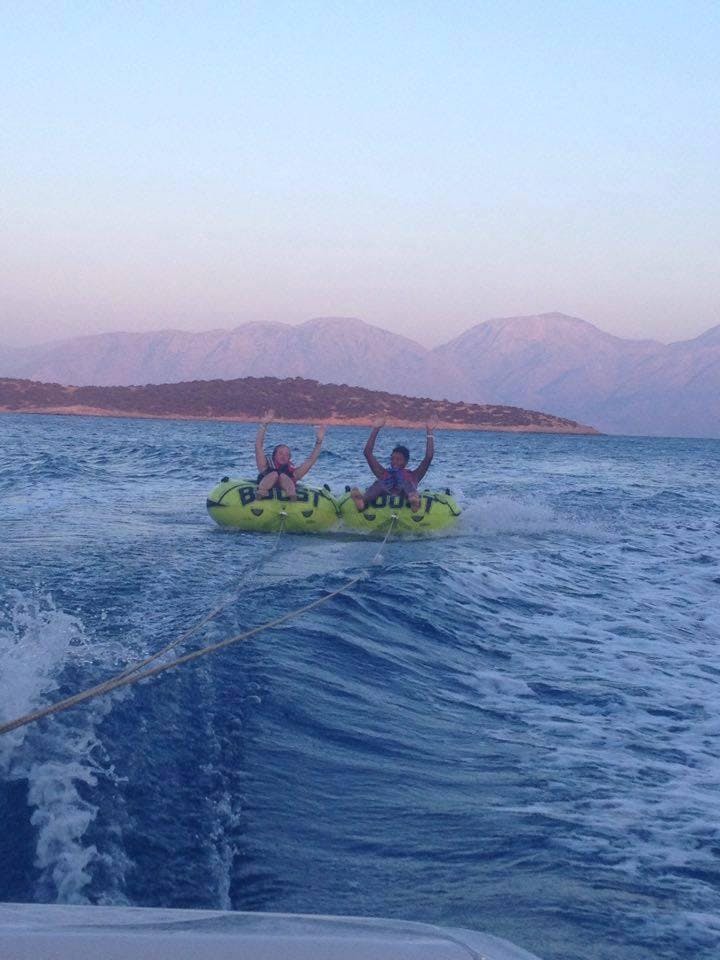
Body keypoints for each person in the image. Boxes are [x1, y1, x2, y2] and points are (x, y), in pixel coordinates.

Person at [350, 415, 437, 512]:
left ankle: (414, 501)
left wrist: (430, 431)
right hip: (385, 493)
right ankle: (362, 502)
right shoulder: (383, 473)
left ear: (406, 461)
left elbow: (428, 457)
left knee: (407, 484)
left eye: (398, 459)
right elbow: (367, 453)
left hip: (406, 495)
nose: (394, 462)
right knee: (379, 483)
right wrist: (376, 429)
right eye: (392, 459)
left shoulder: (415, 475)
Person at [255, 409, 326, 500]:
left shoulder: (294, 473)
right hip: (266, 483)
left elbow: (310, 461)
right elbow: (258, 446)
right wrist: (263, 425)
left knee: (283, 476)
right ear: (274, 455)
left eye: (287, 454)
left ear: (289, 458)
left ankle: (292, 498)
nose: (283, 456)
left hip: (288, 488)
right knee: (274, 474)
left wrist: (319, 441)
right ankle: (260, 494)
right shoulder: (264, 466)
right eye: (280, 453)